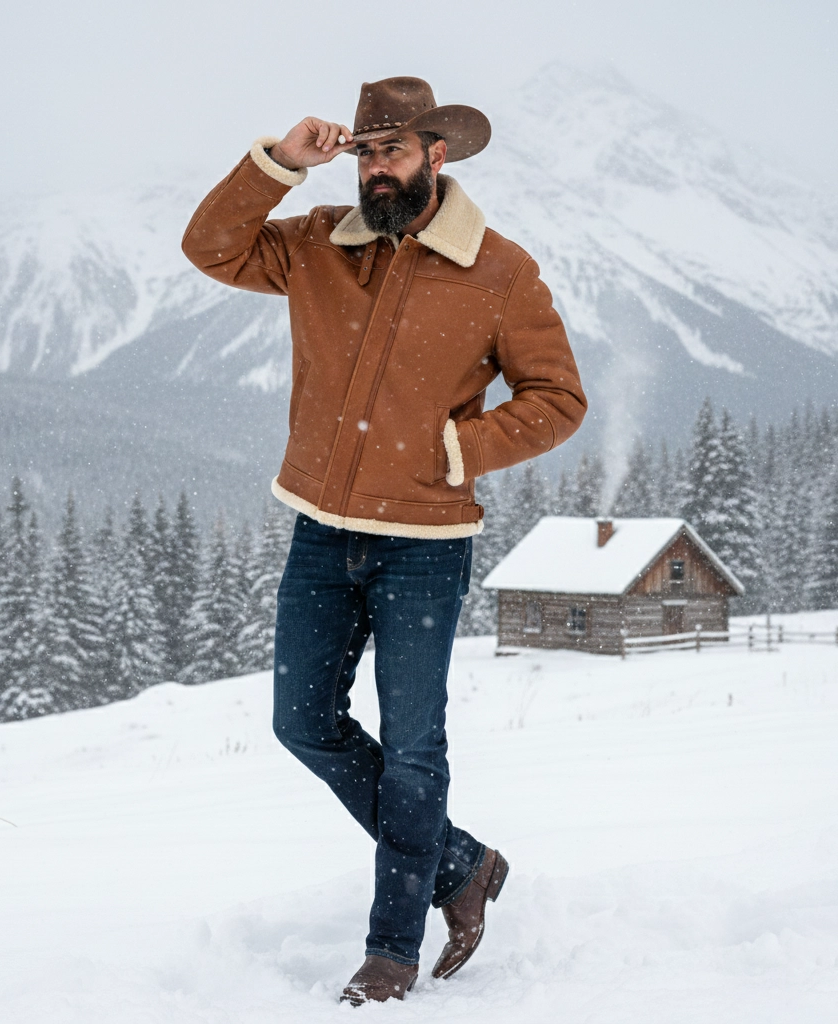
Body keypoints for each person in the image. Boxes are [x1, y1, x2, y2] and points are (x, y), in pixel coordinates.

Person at [182, 76, 587, 1005]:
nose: (374, 169)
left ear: (436, 156)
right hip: (321, 534)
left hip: (426, 544)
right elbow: (210, 246)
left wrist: (459, 447)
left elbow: (559, 400)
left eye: (391, 152)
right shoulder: (318, 241)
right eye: (365, 152)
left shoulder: (500, 270)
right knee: (301, 723)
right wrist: (283, 163)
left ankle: (390, 952)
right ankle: (465, 864)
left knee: (413, 749)